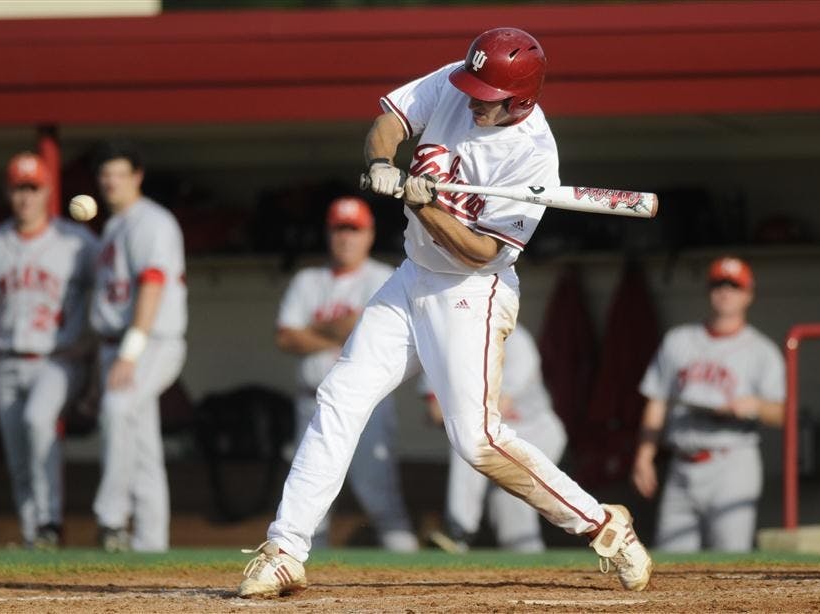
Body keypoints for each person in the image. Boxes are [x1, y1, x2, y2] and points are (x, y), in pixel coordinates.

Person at [238, 27, 652, 598]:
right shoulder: (460, 84)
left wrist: (422, 201)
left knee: (477, 439)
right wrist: (384, 160)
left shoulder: (532, 155)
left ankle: (604, 526)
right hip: (411, 277)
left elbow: (481, 250)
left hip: (471, 291)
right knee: (340, 395)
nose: (473, 99)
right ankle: (287, 548)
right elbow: (392, 119)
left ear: (521, 98)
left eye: (488, 95)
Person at [0, 152, 98, 549]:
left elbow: (103, 292)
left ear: (46, 192)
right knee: (16, 450)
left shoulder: (76, 240)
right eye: (18, 188)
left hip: (55, 359)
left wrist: (88, 344)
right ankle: (33, 534)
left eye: (33, 188)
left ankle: (50, 522)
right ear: (8, 192)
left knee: (38, 422)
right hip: (7, 358)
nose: (25, 197)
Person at [275, 196, 418, 553]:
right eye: (340, 229)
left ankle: (412, 587)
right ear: (329, 233)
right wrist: (343, 327)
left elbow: (357, 327)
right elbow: (286, 336)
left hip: (367, 408)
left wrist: (316, 327)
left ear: (369, 234)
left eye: (354, 230)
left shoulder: (385, 276)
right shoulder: (308, 279)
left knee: (382, 500)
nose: (346, 238)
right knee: (309, 509)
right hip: (310, 403)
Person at [631, 256, 785, 552]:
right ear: (709, 290)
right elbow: (657, 401)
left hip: (731, 460)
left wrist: (755, 405)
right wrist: (644, 456)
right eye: (719, 284)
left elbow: (782, 414)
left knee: (730, 556)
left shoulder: (761, 350)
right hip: (683, 460)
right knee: (670, 557)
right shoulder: (679, 340)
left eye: (734, 286)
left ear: (748, 294)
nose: (725, 292)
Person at [89, 140, 187, 553]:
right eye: (105, 174)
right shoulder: (114, 225)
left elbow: (153, 282)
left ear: (137, 176)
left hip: (151, 340)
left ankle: (110, 518)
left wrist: (131, 349)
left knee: (116, 408)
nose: (111, 182)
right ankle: (151, 546)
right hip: (122, 342)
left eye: (119, 174)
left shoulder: (151, 221)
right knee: (142, 446)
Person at [422, 323, 567, 553]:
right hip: (495, 434)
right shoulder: (444, 343)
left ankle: (460, 531)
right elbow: (435, 411)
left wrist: (459, 406)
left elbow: (496, 407)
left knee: (511, 499)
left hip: (536, 432)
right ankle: (460, 534)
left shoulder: (515, 340)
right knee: (471, 440)